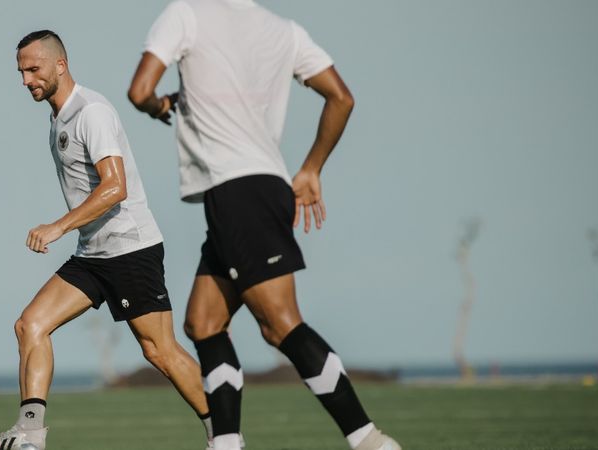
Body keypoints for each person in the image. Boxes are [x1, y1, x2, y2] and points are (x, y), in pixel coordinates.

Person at [127, 2, 402, 450]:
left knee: (280, 324)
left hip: (237, 194)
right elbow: (341, 96)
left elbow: (140, 91)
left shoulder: (185, 14)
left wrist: (160, 105)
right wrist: (311, 168)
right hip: (259, 187)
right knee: (204, 322)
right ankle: (228, 443)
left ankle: (368, 440)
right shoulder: (285, 30)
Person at [0, 30, 214, 450]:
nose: (26, 79)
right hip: (93, 254)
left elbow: (115, 187)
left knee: (160, 351)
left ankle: (223, 434)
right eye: (21, 72)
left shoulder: (91, 112)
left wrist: (58, 226)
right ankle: (30, 434)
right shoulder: (58, 117)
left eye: (33, 69)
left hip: (130, 249)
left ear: (60, 64)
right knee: (31, 325)